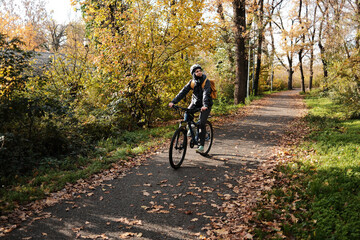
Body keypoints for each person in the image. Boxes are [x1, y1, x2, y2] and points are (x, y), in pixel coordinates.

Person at [168, 64, 213, 153]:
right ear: (193, 73)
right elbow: (183, 92)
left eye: (200, 70)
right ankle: (190, 128)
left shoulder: (206, 81)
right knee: (187, 113)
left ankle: (201, 146)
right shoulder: (191, 82)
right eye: (197, 71)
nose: (199, 72)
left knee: (201, 123)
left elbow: (206, 93)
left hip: (206, 104)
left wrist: (205, 105)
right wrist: (173, 102)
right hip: (195, 102)